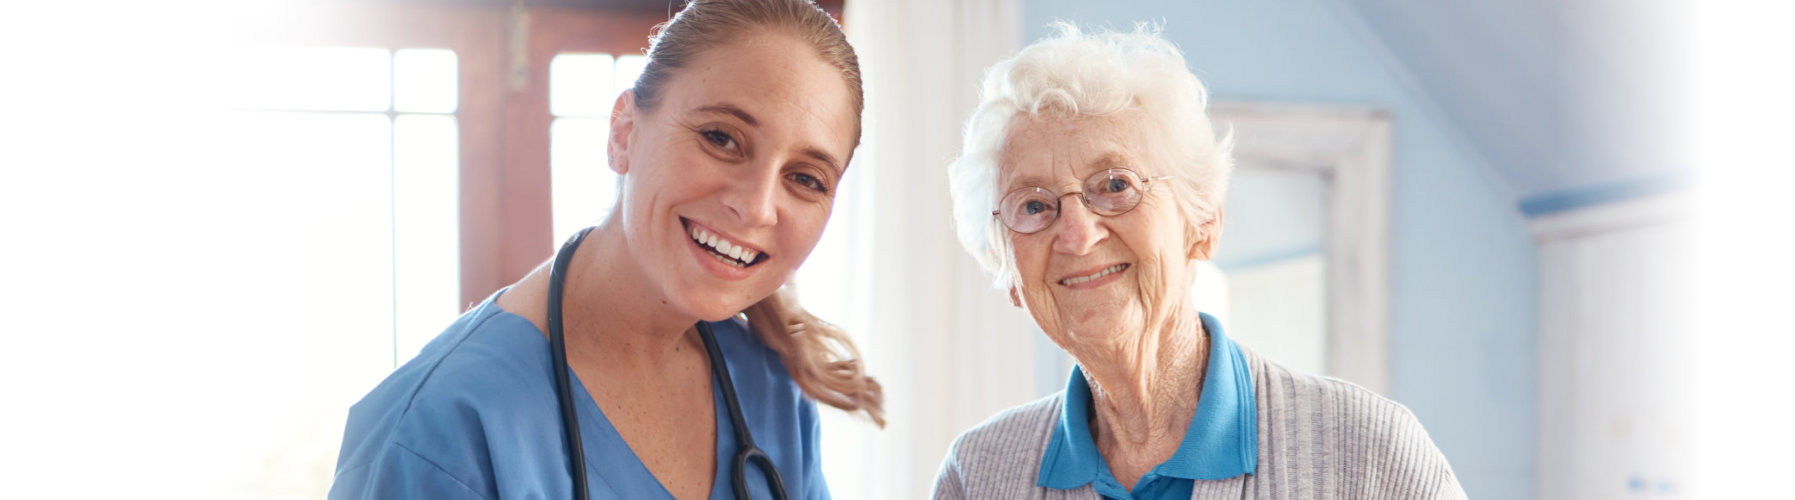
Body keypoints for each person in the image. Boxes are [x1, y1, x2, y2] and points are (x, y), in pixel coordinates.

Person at [329, 1, 881, 498]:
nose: (758, 207)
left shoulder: (768, 392)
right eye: (721, 138)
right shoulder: (439, 430)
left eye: (805, 178)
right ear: (623, 132)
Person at [933, 23, 1466, 499]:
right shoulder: (976, 476)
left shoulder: (1369, 458)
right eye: (1033, 204)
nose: (1076, 233)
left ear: (1203, 223)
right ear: (1008, 271)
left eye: (1116, 185)